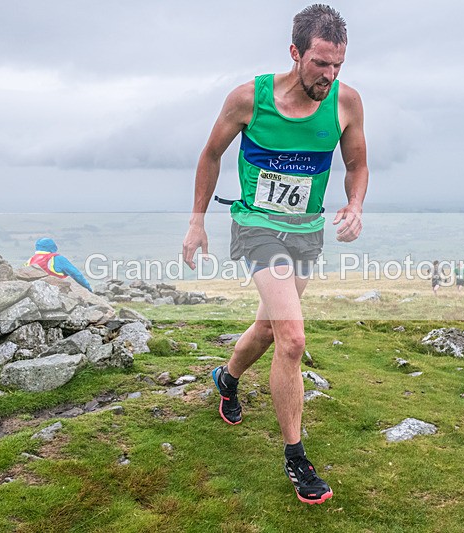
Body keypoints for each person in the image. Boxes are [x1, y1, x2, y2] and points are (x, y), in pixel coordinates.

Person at [181, 4, 367, 505]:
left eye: (337, 66)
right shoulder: (248, 99)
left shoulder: (347, 103)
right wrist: (197, 221)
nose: (329, 76)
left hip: (305, 231)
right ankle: (296, 457)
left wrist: (354, 203)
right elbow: (211, 154)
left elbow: (356, 164)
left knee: (267, 329)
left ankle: (227, 377)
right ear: (295, 53)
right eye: (320, 64)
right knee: (292, 338)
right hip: (257, 225)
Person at [27, 237, 92, 291]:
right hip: (58, 294)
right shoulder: (57, 259)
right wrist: (88, 289)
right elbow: (76, 274)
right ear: (53, 247)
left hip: (36, 293)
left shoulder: (30, 260)